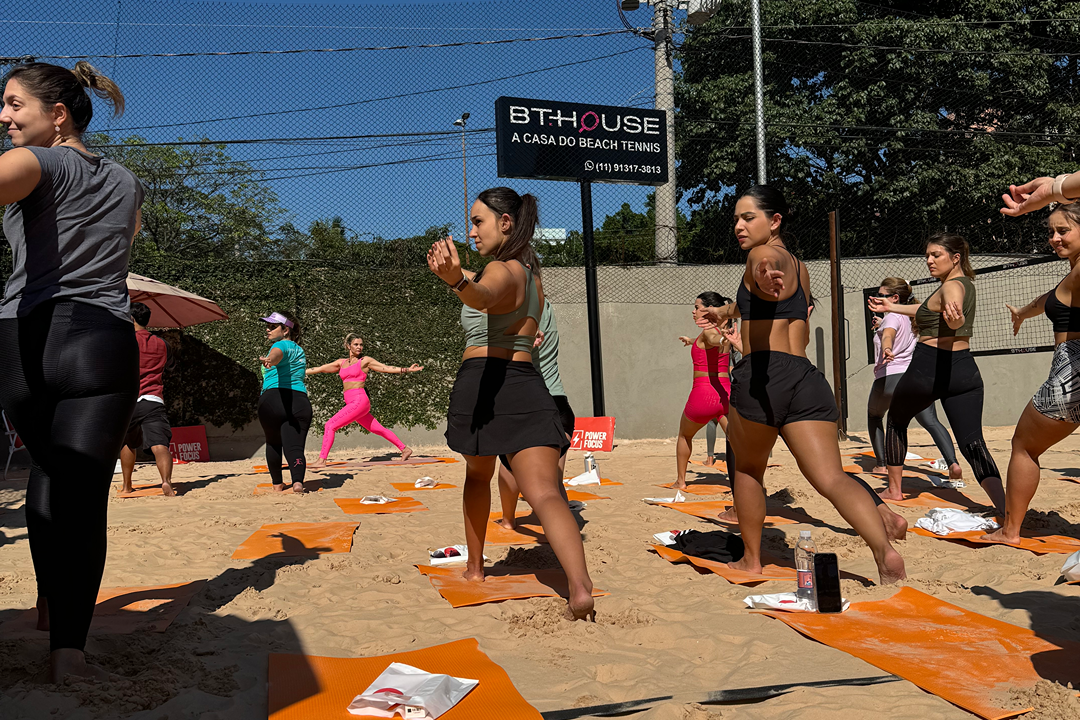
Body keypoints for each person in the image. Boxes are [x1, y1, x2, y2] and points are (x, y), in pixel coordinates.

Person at [0, 61, 142, 681]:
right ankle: (69, 652)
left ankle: (47, 602)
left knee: (46, 470)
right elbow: (122, 242)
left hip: (26, 335)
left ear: (57, 115)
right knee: (82, 496)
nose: (4, 117)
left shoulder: (37, 161)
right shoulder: (128, 181)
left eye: (14, 104)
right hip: (102, 339)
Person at [704, 185, 906, 585]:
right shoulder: (800, 266)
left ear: (775, 220)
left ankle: (751, 560)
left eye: (748, 218)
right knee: (832, 477)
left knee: (748, 469)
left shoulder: (761, 256)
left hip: (764, 374)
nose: (739, 226)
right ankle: (885, 553)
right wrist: (726, 310)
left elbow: (765, 267)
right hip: (805, 376)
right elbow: (759, 297)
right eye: (736, 219)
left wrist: (764, 273)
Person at [427, 187, 596, 621]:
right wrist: (461, 278)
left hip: (483, 381)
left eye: (477, 221)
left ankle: (475, 568)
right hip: (525, 383)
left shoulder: (500, 269)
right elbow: (493, 295)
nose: (471, 231)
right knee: (545, 491)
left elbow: (484, 296)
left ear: (505, 223)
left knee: (477, 475)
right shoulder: (533, 275)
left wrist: (456, 280)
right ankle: (580, 586)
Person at [868, 234, 1006, 513]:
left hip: (928, 368)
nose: (929, 260)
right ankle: (1004, 505)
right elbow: (925, 309)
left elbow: (954, 311)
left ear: (955, 258)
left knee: (896, 420)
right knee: (972, 442)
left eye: (936, 255)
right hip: (964, 371)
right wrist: (891, 306)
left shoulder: (951, 286)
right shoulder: (965, 283)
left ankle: (894, 490)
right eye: (927, 255)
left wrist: (956, 320)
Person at [982, 199, 1080, 543]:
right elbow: (1051, 298)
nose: (1054, 238)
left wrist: (1053, 188)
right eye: (1050, 231)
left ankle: (1010, 531)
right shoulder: (1073, 273)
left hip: (1071, 374)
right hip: (1071, 371)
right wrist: (1023, 312)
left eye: (1063, 230)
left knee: (1024, 446)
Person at [867, 277, 961, 478]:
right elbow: (895, 329)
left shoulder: (892, 317)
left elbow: (889, 335)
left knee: (875, 417)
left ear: (895, 298)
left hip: (890, 377)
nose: (877, 298)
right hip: (914, 377)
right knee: (931, 421)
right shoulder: (912, 316)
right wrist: (882, 324)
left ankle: (881, 465)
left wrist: (887, 347)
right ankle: (953, 463)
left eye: (882, 295)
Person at [495, 296, 575, 531]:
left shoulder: (520, 310)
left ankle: (509, 519)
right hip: (558, 402)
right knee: (553, 481)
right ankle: (564, 533)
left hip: (530, 401)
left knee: (509, 466)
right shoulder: (546, 306)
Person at [305, 333, 422, 466]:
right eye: (356, 344)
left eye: (361, 345)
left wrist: (407, 370)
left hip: (359, 401)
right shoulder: (341, 363)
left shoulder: (365, 361)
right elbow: (320, 369)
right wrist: (301, 372)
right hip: (352, 403)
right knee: (377, 429)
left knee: (330, 425)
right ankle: (405, 449)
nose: (359, 347)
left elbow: (385, 368)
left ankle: (322, 460)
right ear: (348, 346)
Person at [673, 292, 734, 490]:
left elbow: (713, 339)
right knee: (738, 442)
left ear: (709, 310)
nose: (693, 311)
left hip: (704, 394)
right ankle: (752, 483)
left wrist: (722, 340)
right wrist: (691, 340)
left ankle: (680, 481)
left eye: (697, 307)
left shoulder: (710, 332)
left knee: (684, 436)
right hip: (725, 394)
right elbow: (709, 342)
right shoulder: (717, 332)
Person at [119, 301, 175, 496]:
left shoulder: (124, 341)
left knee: (128, 443)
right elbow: (170, 367)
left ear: (131, 318)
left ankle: (127, 486)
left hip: (128, 400)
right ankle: (166, 481)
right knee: (160, 445)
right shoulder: (163, 344)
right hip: (153, 399)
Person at [257, 311, 312, 494]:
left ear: (286, 330)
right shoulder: (300, 351)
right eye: (268, 326)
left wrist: (269, 361)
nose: (268, 329)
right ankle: (297, 482)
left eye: (273, 326)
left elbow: (277, 354)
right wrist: (271, 360)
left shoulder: (280, 345)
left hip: (273, 399)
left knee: (273, 443)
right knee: (295, 446)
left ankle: (277, 485)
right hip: (299, 401)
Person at [704, 319, 742, 467]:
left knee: (716, 420)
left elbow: (735, 365)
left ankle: (711, 458)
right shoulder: (726, 337)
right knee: (720, 419)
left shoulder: (725, 338)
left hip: (724, 384)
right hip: (725, 384)